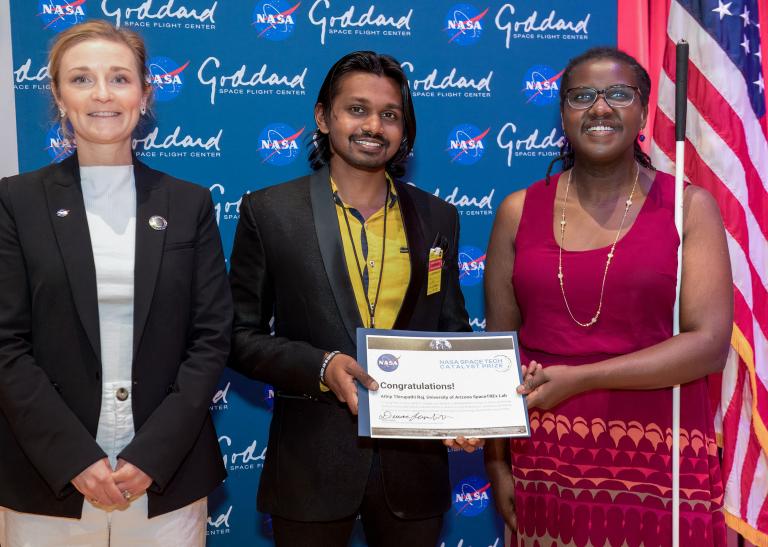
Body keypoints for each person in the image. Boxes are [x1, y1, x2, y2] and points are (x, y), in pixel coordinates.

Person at [483, 47, 732, 546]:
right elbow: (499, 351)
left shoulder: (689, 207)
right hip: (545, 457)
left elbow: (708, 344)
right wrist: (495, 460)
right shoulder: (517, 210)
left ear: (642, 111)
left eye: (619, 94)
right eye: (582, 96)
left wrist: (581, 379)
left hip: (657, 457)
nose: (600, 107)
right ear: (562, 113)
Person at [229, 51, 478, 547]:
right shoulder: (270, 211)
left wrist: (465, 409)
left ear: (403, 129)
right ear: (323, 118)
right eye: (357, 109)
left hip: (415, 470)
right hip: (309, 467)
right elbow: (237, 336)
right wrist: (322, 366)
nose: (374, 126)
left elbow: (451, 330)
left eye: (389, 114)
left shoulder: (438, 218)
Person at [0, 20, 232, 546]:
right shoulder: (14, 202)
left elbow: (212, 336)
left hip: (163, 480)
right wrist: (74, 458)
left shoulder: (188, 203)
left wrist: (150, 457)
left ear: (145, 95)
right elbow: (5, 343)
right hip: (48, 480)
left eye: (119, 78)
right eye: (81, 79)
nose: (102, 94)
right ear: (59, 96)